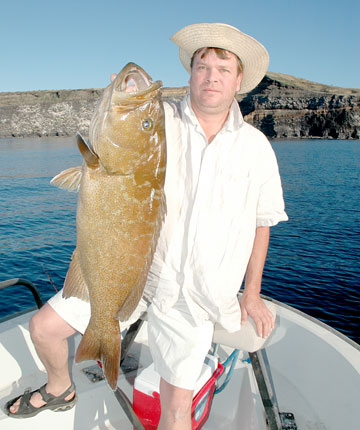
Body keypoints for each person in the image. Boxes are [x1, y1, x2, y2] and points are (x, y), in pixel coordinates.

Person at [6, 22, 287, 429]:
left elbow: (263, 223)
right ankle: (60, 387)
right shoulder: (159, 120)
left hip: (194, 294)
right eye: (202, 66)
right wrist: (120, 100)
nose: (211, 77)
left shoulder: (256, 149)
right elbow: (119, 131)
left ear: (239, 79)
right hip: (130, 269)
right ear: (189, 73)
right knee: (43, 328)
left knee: (175, 412)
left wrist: (254, 294)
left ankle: (108, 350)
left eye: (223, 70)